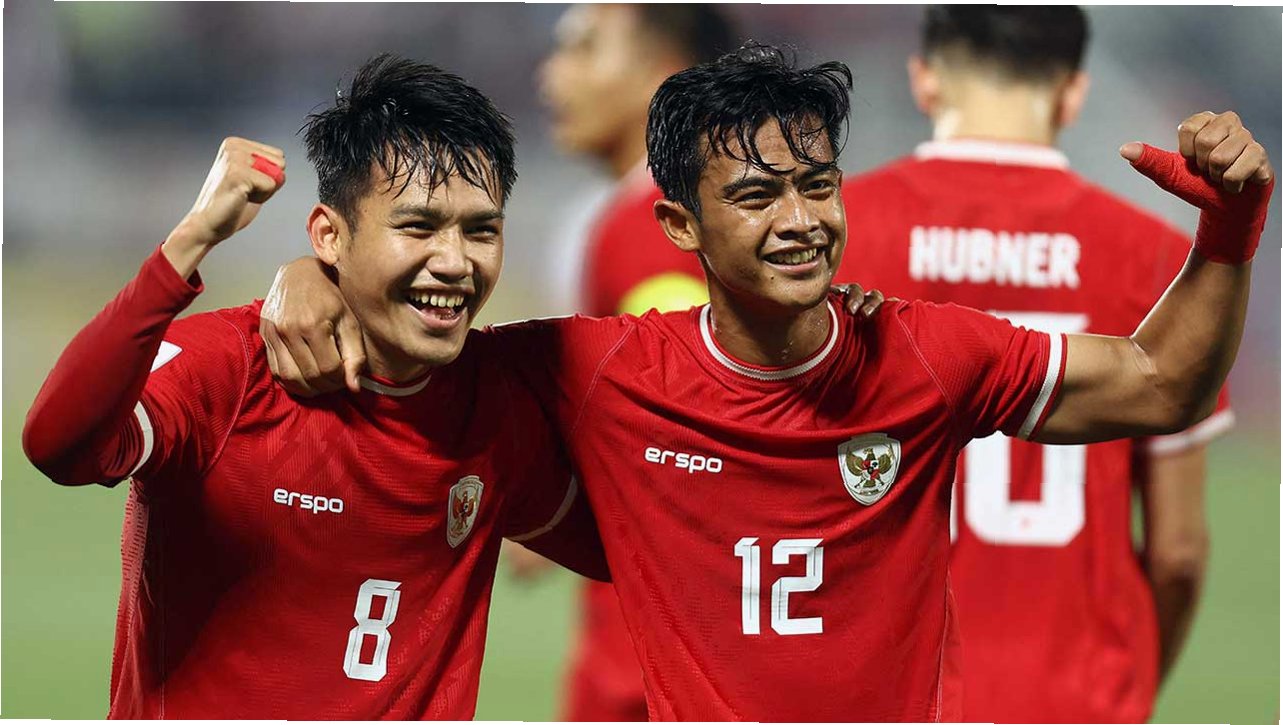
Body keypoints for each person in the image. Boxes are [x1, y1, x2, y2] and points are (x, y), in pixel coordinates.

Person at [261, 43, 1272, 720]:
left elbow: (1157, 383)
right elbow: (407, 342)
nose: (799, 220)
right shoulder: (598, 372)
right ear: (679, 225)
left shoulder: (927, 355)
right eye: (755, 195)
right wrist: (309, 276)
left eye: (816, 184)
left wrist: (1227, 229)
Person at [21, 55, 608, 719]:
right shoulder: (229, 370)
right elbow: (60, 446)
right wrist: (188, 243)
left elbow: (636, 547)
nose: (454, 262)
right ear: (329, 234)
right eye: (418, 226)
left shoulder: (498, 404)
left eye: (481, 230)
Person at [838, 7, 1231, 720]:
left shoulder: (832, 234)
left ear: (923, 81)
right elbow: (1177, 549)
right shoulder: (1154, 257)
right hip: (1076, 696)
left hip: (880, 693)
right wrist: (1131, 685)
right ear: (1073, 93)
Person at [531, 5, 737, 720]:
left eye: (584, 50)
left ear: (663, 77)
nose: (552, 75)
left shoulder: (654, 224)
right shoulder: (713, 208)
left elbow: (681, 440)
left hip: (654, 659)